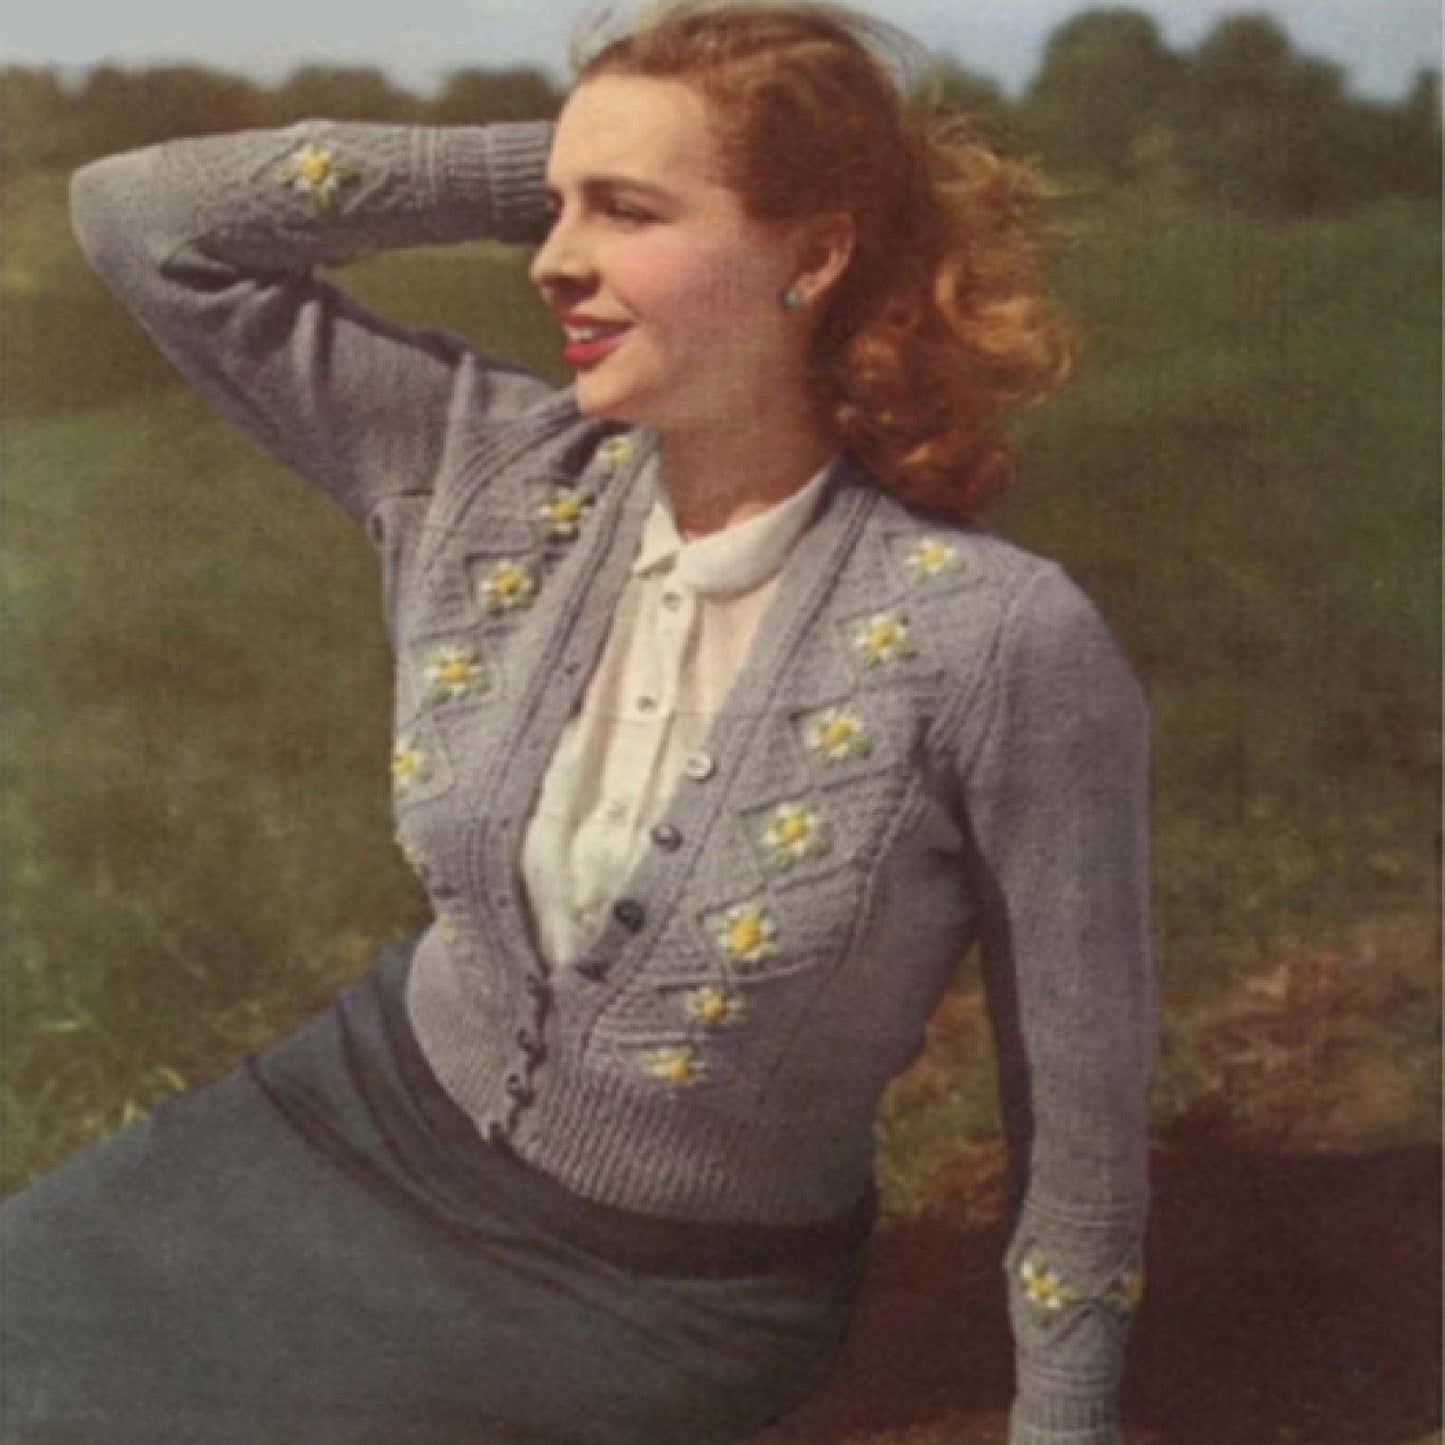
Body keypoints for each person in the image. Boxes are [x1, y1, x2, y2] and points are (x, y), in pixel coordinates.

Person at [1, 3, 1157, 1443]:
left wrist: (1065, 1422)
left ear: (811, 250)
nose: (554, 259)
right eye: (553, 208)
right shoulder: (483, 462)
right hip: (352, 1116)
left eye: (624, 212)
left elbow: (1083, 1102)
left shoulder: (995, 638)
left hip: (650, 1294)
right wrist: (572, 158)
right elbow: (139, 215)